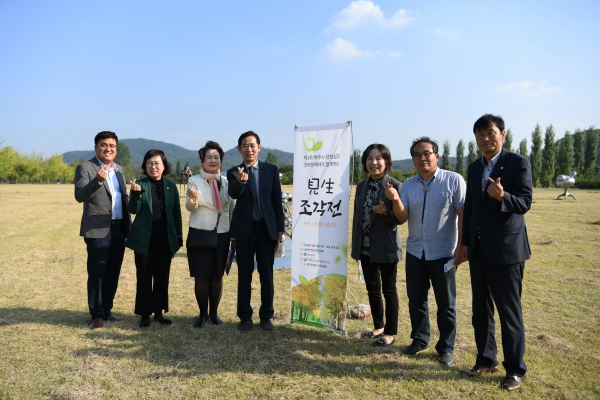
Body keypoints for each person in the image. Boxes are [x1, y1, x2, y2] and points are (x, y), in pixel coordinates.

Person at [460, 114, 532, 391]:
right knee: (481, 311)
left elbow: (524, 202)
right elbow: (471, 209)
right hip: (478, 250)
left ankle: (514, 370)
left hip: (506, 251)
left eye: (491, 133)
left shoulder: (517, 163)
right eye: (480, 134)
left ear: (502, 134)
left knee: (508, 313)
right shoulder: (475, 167)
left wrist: (503, 197)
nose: (486, 139)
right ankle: (486, 359)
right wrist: (466, 243)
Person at [383, 137, 466, 365]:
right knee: (416, 300)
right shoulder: (408, 185)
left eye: (426, 153)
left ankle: (445, 348)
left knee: (446, 303)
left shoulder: (454, 180)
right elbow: (402, 217)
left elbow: (462, 215)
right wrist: (396, 199)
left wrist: (461, 247)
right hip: (416, 252)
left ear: (436, 156)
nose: (422, 158)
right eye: (417, 155)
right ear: (413, 160)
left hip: (444, 253)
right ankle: (420, 339)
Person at [227, 131, 285, 332]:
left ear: (259, 147)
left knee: (266, 275)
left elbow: (277, 202)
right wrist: (241, 181)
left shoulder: (271, 170)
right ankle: (244, 317)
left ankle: (266, 316)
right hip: (244, 231)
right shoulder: (233, 171)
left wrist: (280, 228)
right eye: (245, 145)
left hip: (266, 229)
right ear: (239, 149)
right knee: (244, 275)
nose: (249, 149)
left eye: (252, 145)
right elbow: (233, 193)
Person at [74, 131, 131, 330]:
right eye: (104, 145)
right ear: (96, 147)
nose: (108, 149)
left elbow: (121, 199)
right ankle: (96, 314)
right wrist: (97, 180)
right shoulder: (86, 167)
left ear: (116, 149)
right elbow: (79, 195)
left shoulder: (120, 170)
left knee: (113, 272)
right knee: (97, 272)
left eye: (112, 146)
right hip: (97, 230)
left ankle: (107, 310)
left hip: (118, 228)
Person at [351, 144, 402, 347]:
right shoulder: (362, 185)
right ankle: (378, 327)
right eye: (370, 159)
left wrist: (386, 213)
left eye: (379, 158)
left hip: (386, 246)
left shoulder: (395, 185)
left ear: (387, 162)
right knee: (373, 289)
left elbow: (401, 218)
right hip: (365, 247)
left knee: (389, 290)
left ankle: (390, 333)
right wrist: (356, 248)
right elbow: (357, 218)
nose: (374, 162)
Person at [125, 150, 183, 328]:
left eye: (157, 163)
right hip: (144, 240)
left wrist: (179, 236)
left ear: (164, 166)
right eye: (149, 163)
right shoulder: (140, 185)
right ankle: (144, 314)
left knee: (162, 277)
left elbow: (176, 214)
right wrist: (134, 194)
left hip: (165, 240)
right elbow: (133, 209)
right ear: (145, 166)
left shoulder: (171, 187)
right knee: (143, 277)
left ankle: (159, 313)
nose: (153, 167)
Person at [186, 141, 235, 329]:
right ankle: (202, 315)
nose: (213, 160)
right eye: (209, 157)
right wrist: (193, 198)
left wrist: (233, 236)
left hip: (222, 234)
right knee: (201, 277)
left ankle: (214, 314)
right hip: (200, 233)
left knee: (216, 276)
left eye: (216, 157)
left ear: (221, 160)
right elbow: (191, 207)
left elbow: (231, 209)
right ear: (203, 160)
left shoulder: (227, 182)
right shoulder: (194, 180)